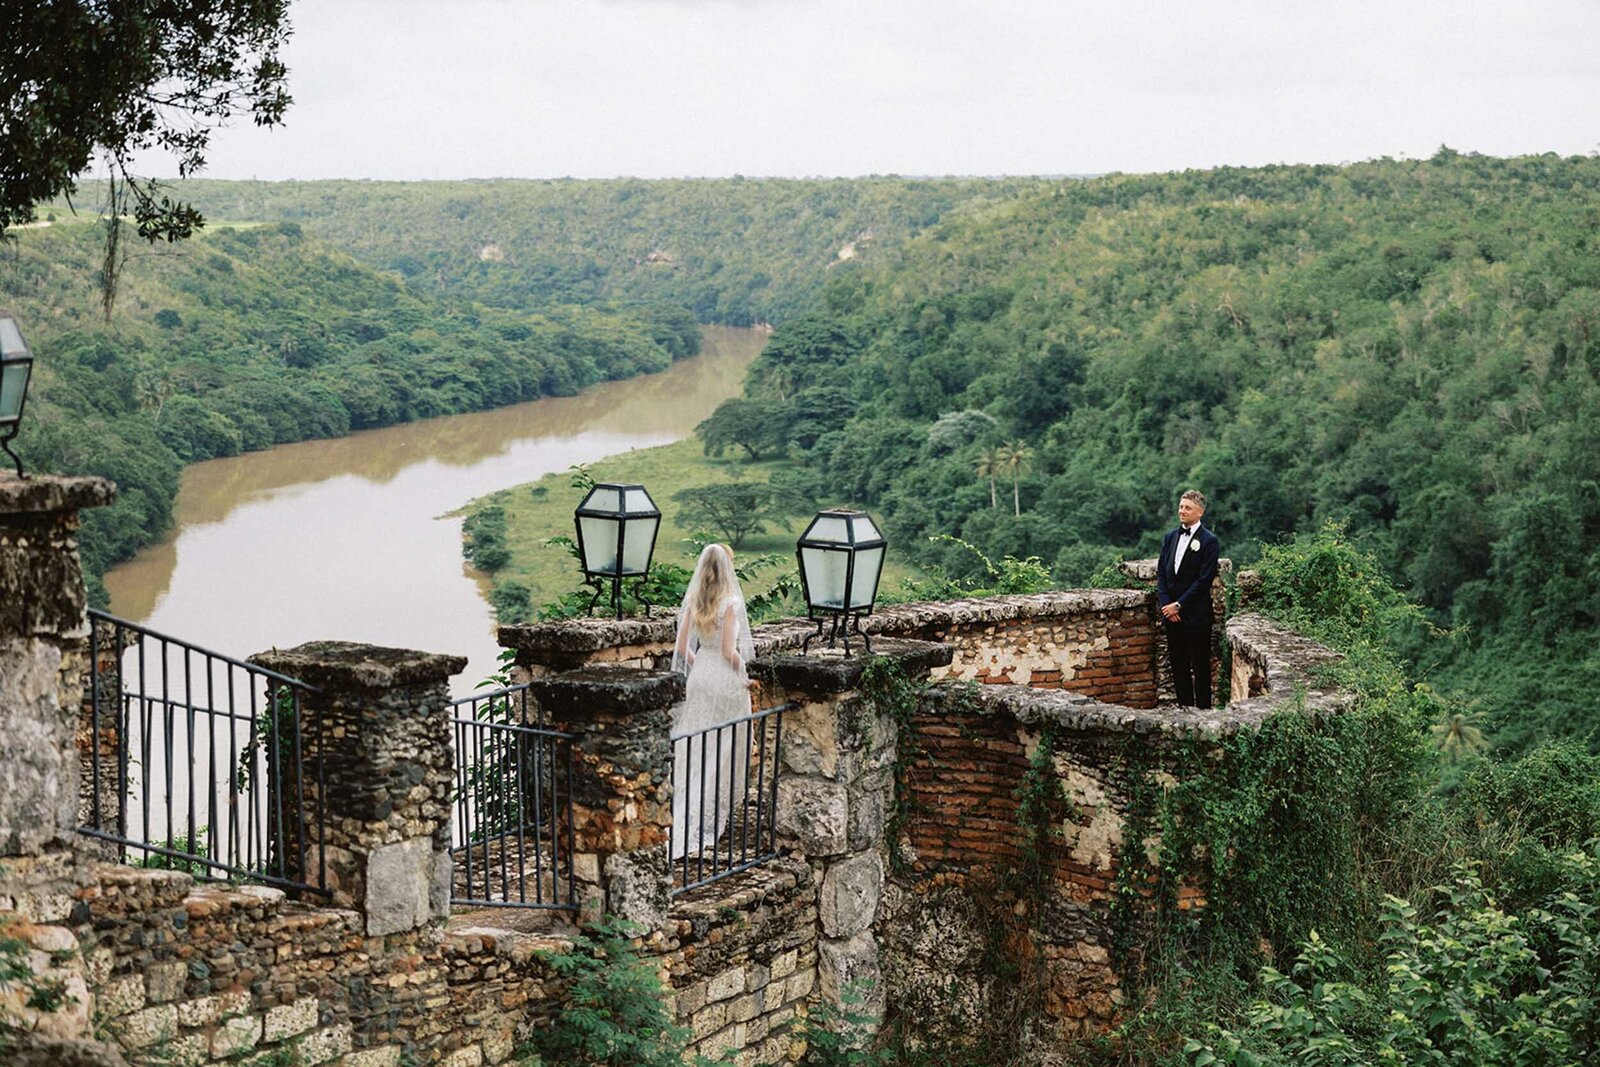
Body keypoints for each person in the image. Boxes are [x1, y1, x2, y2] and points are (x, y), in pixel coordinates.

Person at [669, 543, 757, 860]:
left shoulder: (694, 600)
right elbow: (728, 652)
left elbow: (681, 649)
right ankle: (706, 812)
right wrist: (745, 676)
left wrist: (699, 667)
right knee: (721, 747)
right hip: (724, 680)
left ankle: (678, 808)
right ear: (727, 569)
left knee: (695, 744)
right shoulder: (730, 603)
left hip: (700, 677)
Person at [1156, 490, 1220, 708]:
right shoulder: (1170, 537)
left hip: (1196, 615)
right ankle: (1184, 710)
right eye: (1181, 507)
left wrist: (1179, 605)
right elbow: (1162, 575)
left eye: (1187, 508)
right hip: (1171, 616)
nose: (1182, 511)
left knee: (1201, 667)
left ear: (1200, 512)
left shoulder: (1209, 541)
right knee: (1178, 666)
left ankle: (1203, 714)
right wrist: (1167, 606)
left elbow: (1204, 580)